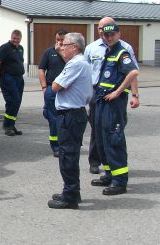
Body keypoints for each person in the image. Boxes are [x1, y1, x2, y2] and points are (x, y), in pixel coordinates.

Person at [84, 17, 139, 174]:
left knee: (113, 136)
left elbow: (133, 72)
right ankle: (107, 172)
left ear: (118, 34)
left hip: (114, 101)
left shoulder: (123, 50)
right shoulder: (97, 48)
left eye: (111, 33)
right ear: (99, 31)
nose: (107, 36)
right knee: (100, 133)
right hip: (98, 95)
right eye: (103, 31)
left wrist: (127, 93)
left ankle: (119, 179)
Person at [47, 32, 93, 209]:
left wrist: (56, 81)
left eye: (64, 45)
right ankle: (73, 191)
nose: (61, 48)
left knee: (67, 156)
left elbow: (56, 86)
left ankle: (70, 197)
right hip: (74, 114)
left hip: (70, 115)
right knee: (70, 155)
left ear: (74, 47)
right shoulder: (79, 62)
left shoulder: (75, 64)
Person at [38, 28, 68, 157]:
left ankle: (66, 143)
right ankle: (55, 146)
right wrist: (44, 87)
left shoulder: (70, 53)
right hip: (51, 88)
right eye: (57, 40)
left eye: (62, 40)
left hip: (67, 90)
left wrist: (61, 53)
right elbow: (41, 69)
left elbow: (73, 64)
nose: (59, 42)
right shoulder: (49, 52)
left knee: (67, 118)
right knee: (53, 119)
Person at [0, 30, 25, 136]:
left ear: (20, 39)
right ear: (11, 37)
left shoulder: (20, 48)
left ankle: (12, 125)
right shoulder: (5, 48)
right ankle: (7, 126)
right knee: (13, 101)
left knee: (17, 102)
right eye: (14, 38)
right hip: (8, 78)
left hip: (19, 78)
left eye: (18, 39)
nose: (15, 40)